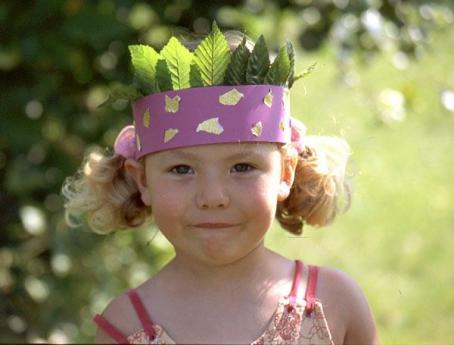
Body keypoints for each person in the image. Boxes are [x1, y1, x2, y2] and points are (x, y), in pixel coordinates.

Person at [62, 23, 378, 344]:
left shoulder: (334, 305)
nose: (213, 197)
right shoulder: (124, 327)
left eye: (242, 166)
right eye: (182, 169)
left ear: (285, 173)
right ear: (142, 180)